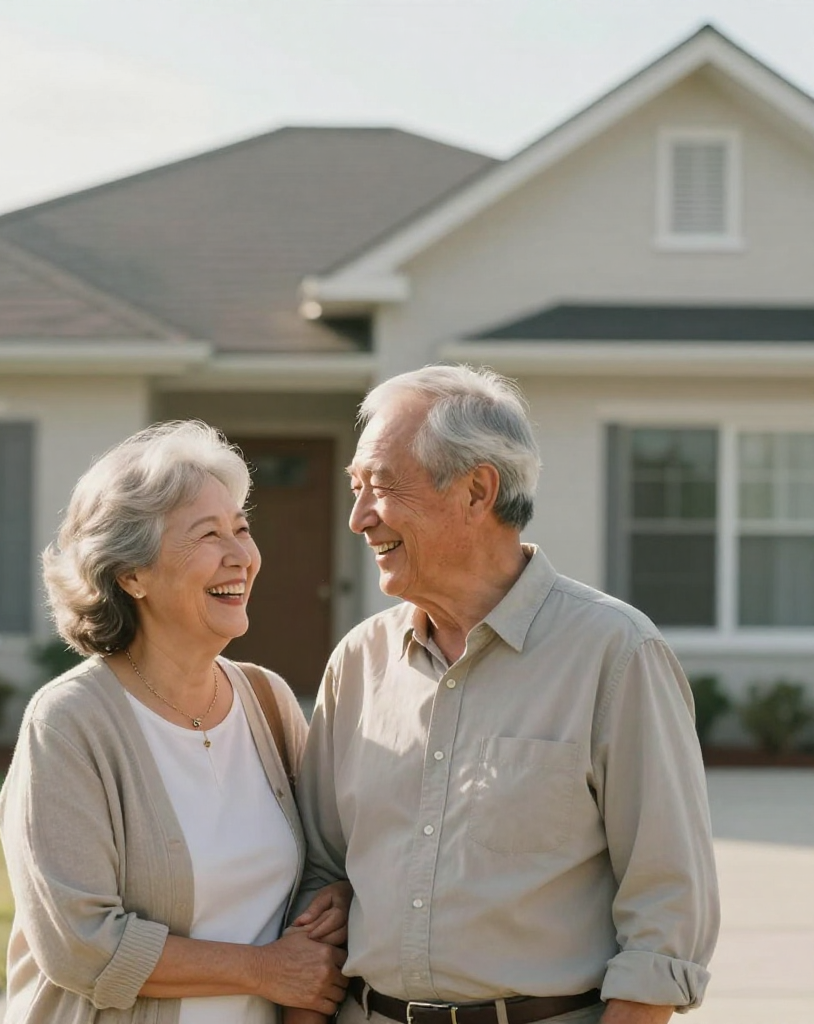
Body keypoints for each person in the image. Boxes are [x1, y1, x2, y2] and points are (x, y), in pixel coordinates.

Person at [288, 366, 719, 1024]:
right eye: (355, 490)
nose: (358, 519)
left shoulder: (617, 653)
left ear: (476, 490)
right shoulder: (358, 662)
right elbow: (320, 872)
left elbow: (666, 914)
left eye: (379, 488)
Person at [0, 420, 349, 1024]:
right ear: (131, 575)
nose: (241, 556)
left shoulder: (267, 701)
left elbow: (321, 866)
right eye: (208, 535)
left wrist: (336, 899)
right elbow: (81, 943)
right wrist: (265, 970)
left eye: (242, 528)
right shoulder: (70, 723)